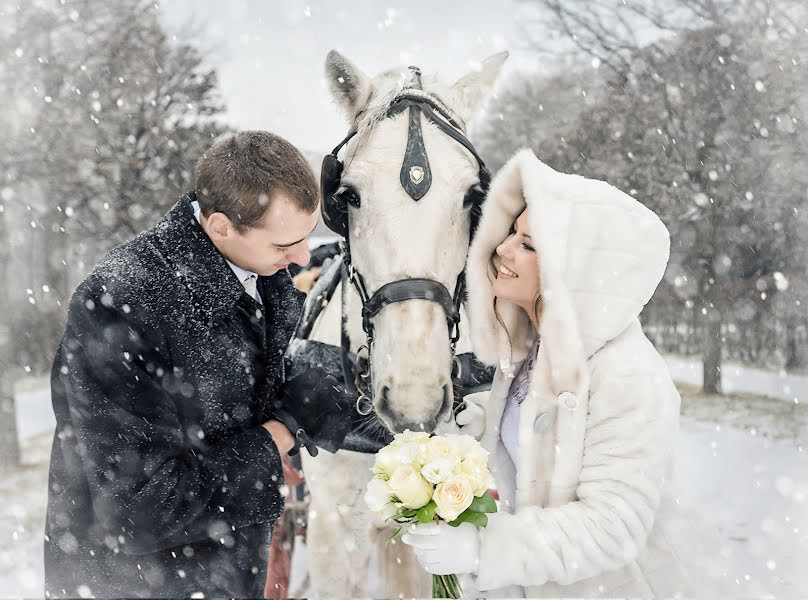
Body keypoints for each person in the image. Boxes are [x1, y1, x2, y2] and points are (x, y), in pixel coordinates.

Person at [45, 131, 357, 598]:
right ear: (221, 226)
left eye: (308, 236)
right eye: (285, 245)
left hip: (227, 573)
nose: (302, 257)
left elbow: (246, 389)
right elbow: (141, 508)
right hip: (135, 583)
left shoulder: (258, 270)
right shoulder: (121, 302)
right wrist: (279, 434)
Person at [402, 149, 726, 596]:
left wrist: (485, 550)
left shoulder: (629, 376)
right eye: (512, 233)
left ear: (575, 270)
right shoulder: (533, 353)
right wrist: (480, 427)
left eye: (529, 244)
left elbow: (614, 526)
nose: (502, 249)